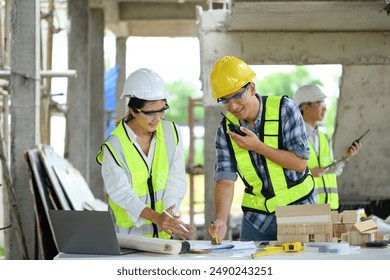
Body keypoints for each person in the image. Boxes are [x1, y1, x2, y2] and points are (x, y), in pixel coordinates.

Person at [207, 56, 316, 242]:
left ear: (252, 88)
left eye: (236, 96)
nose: (232, 106)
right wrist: (221, 220)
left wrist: (258, 147)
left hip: (299, 210)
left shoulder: (285, 110)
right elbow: (225, 179)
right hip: (257, 221)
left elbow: (300, 163)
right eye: (225, 100)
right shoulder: (226, 129)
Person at [96, 68, 196, 240]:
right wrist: (157, 218)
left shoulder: (172, 133)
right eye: (150, 113)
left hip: (163, 236)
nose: (158, 118)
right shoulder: (114, 147)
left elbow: (176, 181)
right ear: (134, 111)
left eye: (162, 110)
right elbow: (121, 193)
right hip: (127, 238)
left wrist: (169, 218)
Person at [293, 84, 362, 210]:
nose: (325, 108)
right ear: (305, 107)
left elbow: (329, 170)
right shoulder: (294, 138)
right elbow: (286, 174)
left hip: (330, 208)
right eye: (320, 103)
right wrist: (309, 173)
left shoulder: (324, 138)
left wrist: (345, 157)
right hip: (308, 209)